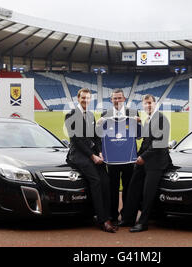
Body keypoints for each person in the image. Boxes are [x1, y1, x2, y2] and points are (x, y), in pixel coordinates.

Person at [64, 88, 117, 233]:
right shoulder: (71, 115)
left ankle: (109, 216)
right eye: (83, 98)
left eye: (88, 98)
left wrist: (100, 151)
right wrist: (92, 156)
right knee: (96, 180)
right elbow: (77, 140)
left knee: (105, 180)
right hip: (78, 155)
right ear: (78, 98)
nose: (85, 101)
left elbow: (96, 137)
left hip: (93, 153)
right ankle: (103, 220)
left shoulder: (91, 115)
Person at [118, 94, 172, 233]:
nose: (148, 105)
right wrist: (135, 156)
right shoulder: (148, 119)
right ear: (142, 105)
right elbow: (144, 141)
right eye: (145, 103)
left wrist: (143, 157)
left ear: (155, 104)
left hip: (157, 162)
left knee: (148, 193)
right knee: (132, 187)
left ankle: (143, 222)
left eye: (150, 103)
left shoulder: (161, 119)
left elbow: (159, 144)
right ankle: (129, 218)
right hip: (145, 161)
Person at [99, 89, 140, 223]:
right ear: (111, 100)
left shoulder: (133, 114)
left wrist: (139, 123)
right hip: (112, 159)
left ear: (124, 99)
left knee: (128, 188)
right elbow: (100, 136)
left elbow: (139, 135)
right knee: (112, 189)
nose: (117, 101)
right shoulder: (105, 114)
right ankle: (113, 216)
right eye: (114, 98)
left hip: (128, 158)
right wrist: (98, 125)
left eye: (119, 98)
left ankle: (127, 217)